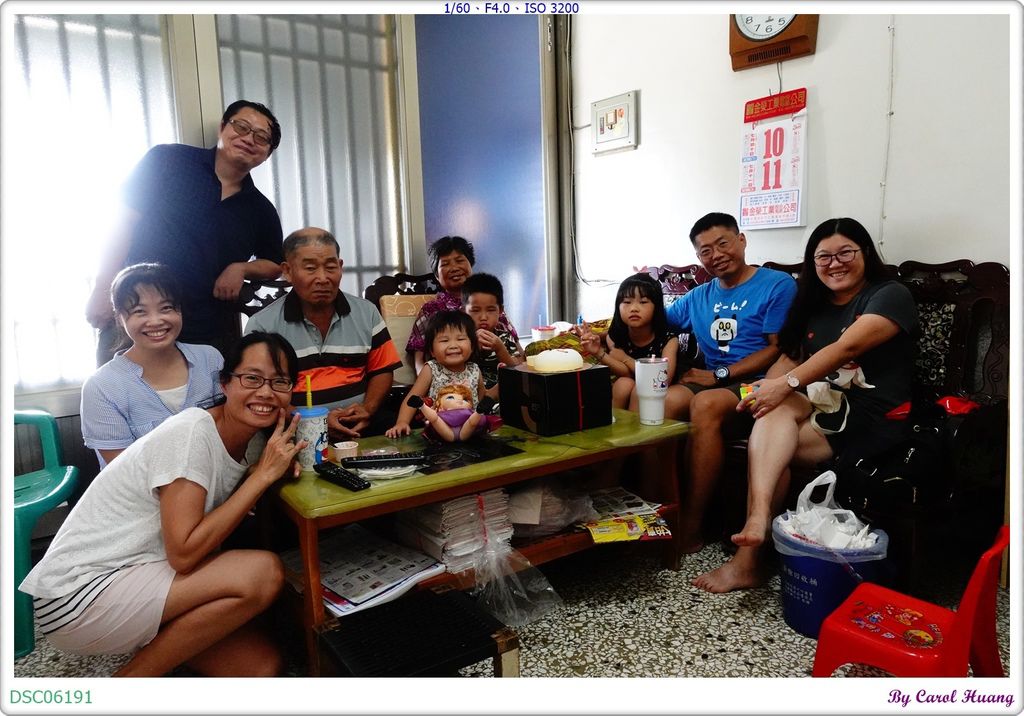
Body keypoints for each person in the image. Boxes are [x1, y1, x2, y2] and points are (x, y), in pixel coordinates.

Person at [19, 332, 307, 676]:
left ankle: (144, 635)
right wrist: (260, 478)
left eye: (279, 381)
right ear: (225, 383)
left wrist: (264, 471)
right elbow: (183, 554)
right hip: (77, 595)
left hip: (139, 573)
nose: (265, 392)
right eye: (252, 378)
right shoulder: (192, 432)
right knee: (262, 573)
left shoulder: (255, 440)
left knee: (260, 666)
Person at [693, 217, 918, 593]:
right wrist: (762, 390)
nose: (835, 263)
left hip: (873, 416)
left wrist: (784, 385)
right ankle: (758, 523)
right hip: (823, 406)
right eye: (823, 257)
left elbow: (846, 348)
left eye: (845, 253)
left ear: (865, 252)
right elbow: (790, 358)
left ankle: (749, 556)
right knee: (772, 413)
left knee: (773, 446)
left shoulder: (889, 294)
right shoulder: (814, 304)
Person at [85, 100, 286, 361]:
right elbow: (121, 223)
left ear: (267, 153)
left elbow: (274, 264)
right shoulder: (168, 160)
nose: (249, 139)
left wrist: (241, 268)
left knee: (201, 389)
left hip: (202, 329)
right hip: (134, 315)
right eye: (242, 127)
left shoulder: (260, 209)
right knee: (119, 386)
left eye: (261, 137)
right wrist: (102, 290)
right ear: (223, 127)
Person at [664, 212, 797, 554]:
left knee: (704, 403)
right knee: (663, 402)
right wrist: (602, 330)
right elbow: (657, 319)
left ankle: (692, 523)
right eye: (705, 251)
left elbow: (776, 347)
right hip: (714, 382)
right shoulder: (699, 296)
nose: (716, 255)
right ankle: (659, 507)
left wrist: (719, 375)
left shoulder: (777, 284)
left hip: (760, 383)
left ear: (741, 240)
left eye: (723, 243)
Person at [244, 227, 403, 439]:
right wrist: (314, 422)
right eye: (310, 268)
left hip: (361, 426)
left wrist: (368, 408)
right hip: (295, 431)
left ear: (340, 266)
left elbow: (382, 370)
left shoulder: (367, 313)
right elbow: (259, 393)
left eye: (330, 267)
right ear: (288, 271)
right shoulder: (262, 325)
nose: (322, 278)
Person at [81, 263, 224, 469]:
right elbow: (122, 469)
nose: (155, 321)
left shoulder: (210, 359)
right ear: (120, 317)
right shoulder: (101, 386)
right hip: (140, 488)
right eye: (140, 311)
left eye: (166, 308)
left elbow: (228, 430)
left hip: (216, 478)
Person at [406, 236, 518, 373]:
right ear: (436, 275)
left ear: (471, 264)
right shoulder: (431, 310)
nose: (454, 268)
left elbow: (517, 352)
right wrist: (427, 380)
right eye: (445, 264)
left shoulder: (491, 301)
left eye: (459, 261)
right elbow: (419, 360)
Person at [576, 273, 679, 411]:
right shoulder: (617, 335)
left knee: (639, 389)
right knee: (623, 383)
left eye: (643, 302)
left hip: (661, 388)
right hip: (632, 382)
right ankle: (614, 422)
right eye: (626, 302)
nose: (634, 308)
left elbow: (662, 380)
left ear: (656, 307)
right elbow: (626, 374)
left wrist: (625, 359)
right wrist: (598, 352)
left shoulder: (668, 340)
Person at [387, 311, 485, 438]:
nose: (453, 345)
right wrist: (402, 422)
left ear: (472, 346)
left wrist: (502, 382)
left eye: (460, 339)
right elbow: (412, 398)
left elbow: (482, 398)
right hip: (439, 431)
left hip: (470, 431)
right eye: (444, 340)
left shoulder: (474, 370)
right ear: (432, 350)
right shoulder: (431, 369)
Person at [461, 272, 524, 397]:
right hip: (467, 393)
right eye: (475, 310)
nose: (483, 317)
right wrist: (473, 348)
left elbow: (515, 369)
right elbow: (454, 367)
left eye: (490, 310)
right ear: (464, 311)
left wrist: (500, 349)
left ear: (500, 310)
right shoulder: (460, 339)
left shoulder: (505, 337)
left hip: (501, 393)